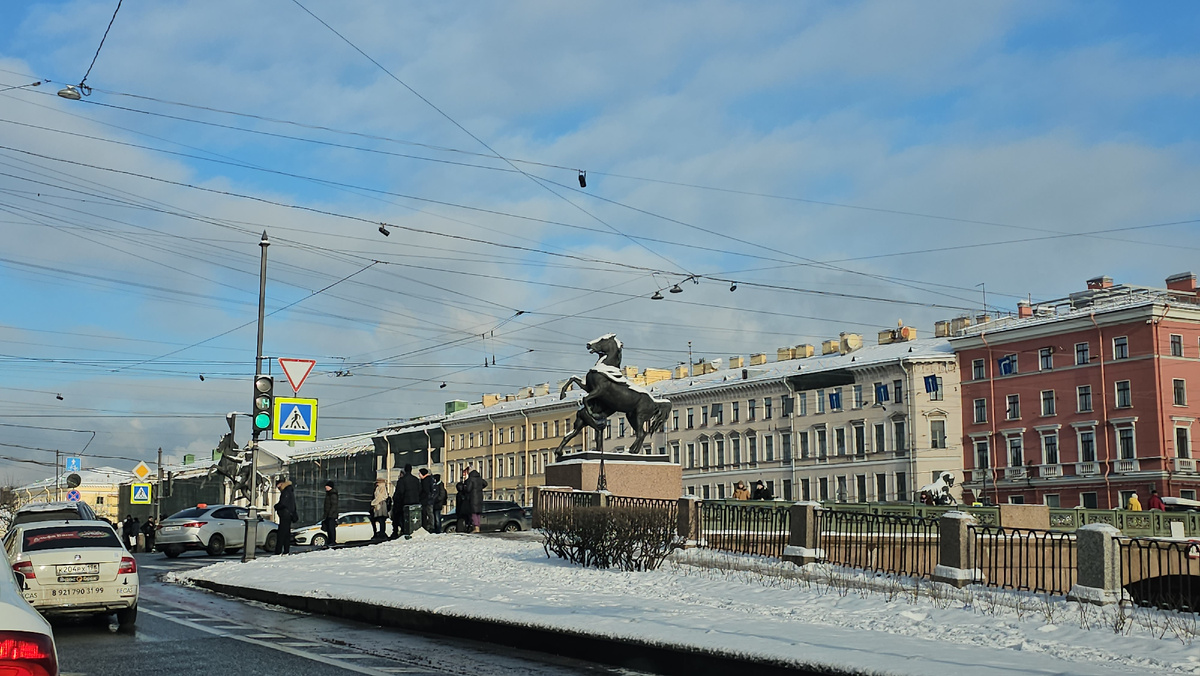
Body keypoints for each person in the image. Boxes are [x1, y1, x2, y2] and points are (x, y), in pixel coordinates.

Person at [391, 464, 421, 539]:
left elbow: (400, 492)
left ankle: (401, 531)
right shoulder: (416, 480)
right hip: (416, 502)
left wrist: (397, 501)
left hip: (404, 503)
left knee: (402, 519)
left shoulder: (402, 480)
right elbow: (420, 491)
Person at [274, 477, 297, 554]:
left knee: (281, 533)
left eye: (278, 485)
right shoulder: (289, 490)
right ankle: (286, 550)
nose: (278, 488)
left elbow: (283, 503)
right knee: (286, 533)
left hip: (285, 515)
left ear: (281, 484)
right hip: (288, 515)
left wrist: (276, 506)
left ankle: (278, 551)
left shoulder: (286, 491)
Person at [464, 467, 488, 533]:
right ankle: (478, 527)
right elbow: (485, 483)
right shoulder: (479, 478)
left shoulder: (471, 479)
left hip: (473, 498)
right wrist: (479, 488)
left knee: (473, 513)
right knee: (478, 513)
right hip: (480, 497)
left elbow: (468, 489)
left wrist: (465, 487)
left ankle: (476, 527)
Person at [322, 480, 340, 546]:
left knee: (331, 528)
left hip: (331, 515)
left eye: (327, 486)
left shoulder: (333, 494)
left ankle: (332, 541)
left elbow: (334, 505)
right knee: (328, 528)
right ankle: (330, 541)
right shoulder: (329, 494)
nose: (325, 487)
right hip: (328, 515)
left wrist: (330, 514)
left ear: (330, 487)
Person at [418, 468, 436, 533]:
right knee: (429, 514)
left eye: (419, 473)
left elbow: (425, 491)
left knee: (428, 513)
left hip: (426, 500)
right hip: (429, 500)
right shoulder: (430, 479)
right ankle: (431, 526)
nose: (419, 475)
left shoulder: (425, 481)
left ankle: (430, 527)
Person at [454, 467, 471, 532]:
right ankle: (466, 528)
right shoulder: (465, 494)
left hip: (461, 511)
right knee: (467, 520)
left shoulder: (459, 494)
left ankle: (462, 529)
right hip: (466, 510)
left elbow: (458, 504)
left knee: (461, 521)